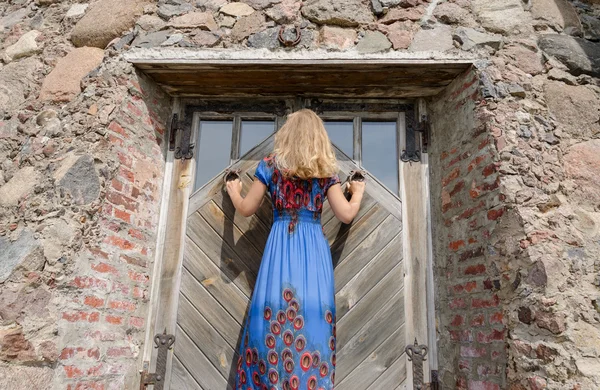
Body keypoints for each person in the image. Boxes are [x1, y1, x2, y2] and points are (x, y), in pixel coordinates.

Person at [226, 109, 365, 390]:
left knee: (270, 317)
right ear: (318, 139)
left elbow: (246, 209)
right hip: (313, 248)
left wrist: (233, 189)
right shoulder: (326, 172)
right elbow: (346, 215)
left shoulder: (269, 166)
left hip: (280, 246)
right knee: (314, 320)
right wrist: (357, 191)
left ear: (287, 135)